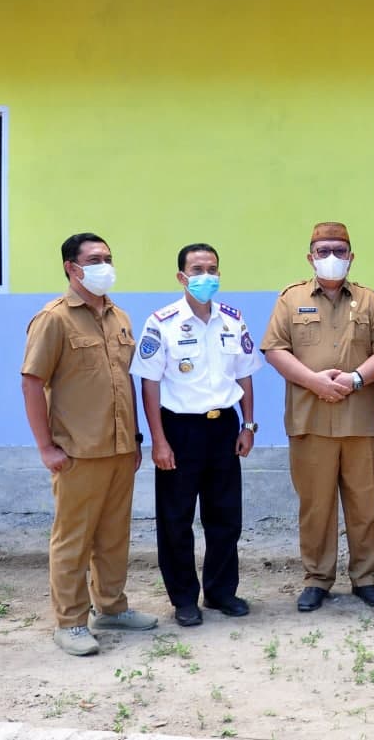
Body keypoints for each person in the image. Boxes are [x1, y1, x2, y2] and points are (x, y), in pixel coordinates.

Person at [21, 232, 158, 655]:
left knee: (114, 536)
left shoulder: (120, 317)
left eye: (108, 257)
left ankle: (112, 607)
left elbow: (127, 382)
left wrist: (136, 439)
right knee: (73, 539)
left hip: (119, 450)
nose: (105, 265)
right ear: (72, 268)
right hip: (78, 452)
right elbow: (31, 382)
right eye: (95, 259)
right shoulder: (54, 318)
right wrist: (46, 448)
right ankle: (71, 621)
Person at [131, 243, 263, 627]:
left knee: (226, 517)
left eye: (213, 268)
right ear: (181, 277)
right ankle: (184, 599)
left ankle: (222, 592)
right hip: (180, 429)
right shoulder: (162, 322)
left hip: (224, 427)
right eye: (198, 268)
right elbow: (149, 384)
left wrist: (248, 424)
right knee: (176, 519)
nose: (207, 275)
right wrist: (158, 440)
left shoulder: (233, 320)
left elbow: (245, 374)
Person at [261, 222, 374, 613]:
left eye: (339, 250)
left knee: (363, 504)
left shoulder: (369, 301)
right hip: (309, 418)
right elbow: (275, 349)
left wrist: (353, 379)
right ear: (310, 256)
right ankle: (317, 579)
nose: (331, 257)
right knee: (315, 506)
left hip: (360, 419)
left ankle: (365, 577)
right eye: (323, 250)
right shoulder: (290, 299)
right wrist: (315, 382)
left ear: (351, 256)